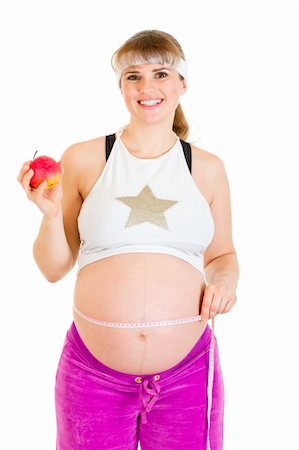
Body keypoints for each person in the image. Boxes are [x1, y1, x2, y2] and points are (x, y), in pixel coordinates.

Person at [17, 29, 239, 450]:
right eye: (133, 76)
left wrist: (225, 282)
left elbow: (224, 255)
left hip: (188, 376)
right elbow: (52, 269)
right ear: (121, 87)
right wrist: (48, 215)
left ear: (182, 84)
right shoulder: (84, 158)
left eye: (161, 73)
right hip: (92, 376)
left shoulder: (208, 168)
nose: (148, 87)